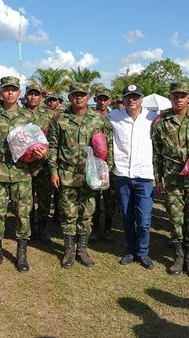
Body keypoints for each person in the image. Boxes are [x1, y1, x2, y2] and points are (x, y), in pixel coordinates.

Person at [0, 76, 47, 273]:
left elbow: (38, 142)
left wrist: (39, 158)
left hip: (21, 172)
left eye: (13, 90)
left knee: (22, 214)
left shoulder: (28, 116)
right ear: (0, 92)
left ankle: (22, 254)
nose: (10, 93)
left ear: (19, 93)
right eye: (6, 89)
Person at [48, 83, 113, 269]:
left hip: (90, 175)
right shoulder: (60, 119)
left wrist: (105, 170)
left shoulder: (98, 119)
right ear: (69, 97)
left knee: (87, 213)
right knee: (68, 214)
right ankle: (69, 250)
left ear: (89, 96)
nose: (79, 98)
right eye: (75, 95)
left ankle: (82, 250)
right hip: (67, 174)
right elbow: (53, 147)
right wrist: (53, 170)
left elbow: (109, 147)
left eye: (82, 95)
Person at [152, 82, 189, 278]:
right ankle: (178, 255)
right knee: (176, 218)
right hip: (172, 177)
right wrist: (157, 177)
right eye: (175, 95)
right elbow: (156, 153)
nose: (179, 99)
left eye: (183, 95)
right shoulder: (161, 122)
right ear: (170, 96)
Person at [109, 84, 157, 268]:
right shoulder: (114, 117)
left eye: (135, 97)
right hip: (122, 174)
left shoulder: (152, 118)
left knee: (144, 219)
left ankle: (143, 252)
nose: (131, 100)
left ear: (142, 99)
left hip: (144, 175)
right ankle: (131, 250)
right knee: (128, 217)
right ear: (123, 99)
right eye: (128, 97)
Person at [24, 83, 54, 243]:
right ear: (26, 96)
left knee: (44, 200)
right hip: (24, 166)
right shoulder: (20, 114)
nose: (33, 97)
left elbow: (55, 139)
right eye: (30, 94)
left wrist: (47, 153)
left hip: (43, 165)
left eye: (36, 94)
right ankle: (28, 230)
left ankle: (42, 230)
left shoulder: (50, 115)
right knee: (26, 200)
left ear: (41, 97)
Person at [91, 86, 117, 242]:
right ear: (95, 99)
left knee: (109, 199)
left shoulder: (116, 117)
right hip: (93, 163)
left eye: (105, 99)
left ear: (110, 100)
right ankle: (95, 229)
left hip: (111, 163)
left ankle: (107, 229)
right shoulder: (90, 116)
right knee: (94, 197)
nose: (102, 101)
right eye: (99, 98)